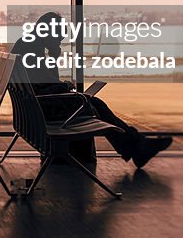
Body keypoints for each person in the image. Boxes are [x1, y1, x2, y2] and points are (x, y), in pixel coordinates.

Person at [10, 11, 172, 169]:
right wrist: (58, 72)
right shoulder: (32, 48)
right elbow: (46, 84)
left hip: (33, 110)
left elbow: (41, 82)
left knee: (93, 102)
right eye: (59, 37)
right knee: (94, 104)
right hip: (43, 110)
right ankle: (137, 147)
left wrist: (60, 82)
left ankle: (136, 145)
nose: (60, 41)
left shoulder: (27, 44)